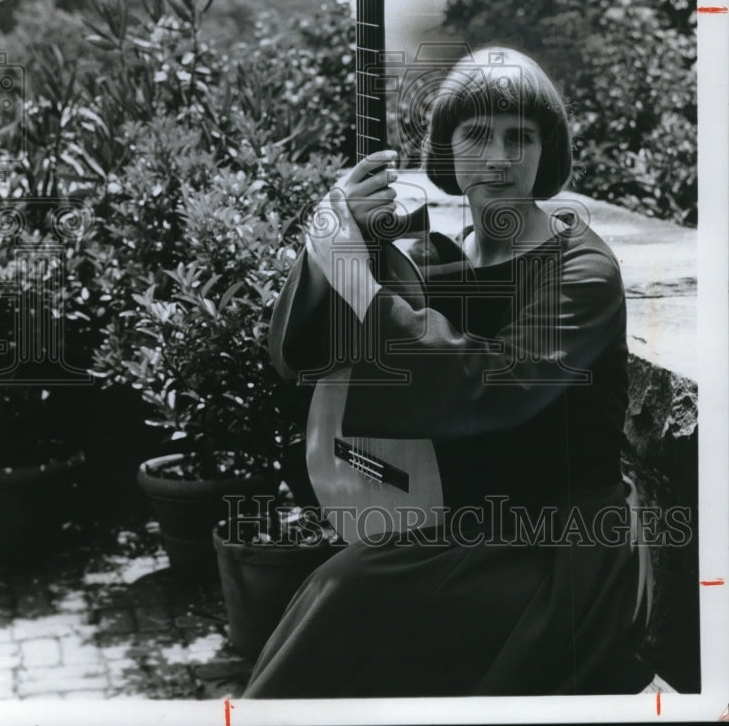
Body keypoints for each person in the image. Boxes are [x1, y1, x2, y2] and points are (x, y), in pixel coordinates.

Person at [244, 47, 654, 698]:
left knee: (342, 598)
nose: (499, 158)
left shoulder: (583, 271)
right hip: (453, 526)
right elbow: (303, 356)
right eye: (478, 135)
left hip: (557, 554)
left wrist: (352, 271)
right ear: (448, 150)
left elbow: (487, 385)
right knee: (330, 603)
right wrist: (335, 232)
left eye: (521, 137)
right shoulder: (433, 254)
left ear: (547, 153)